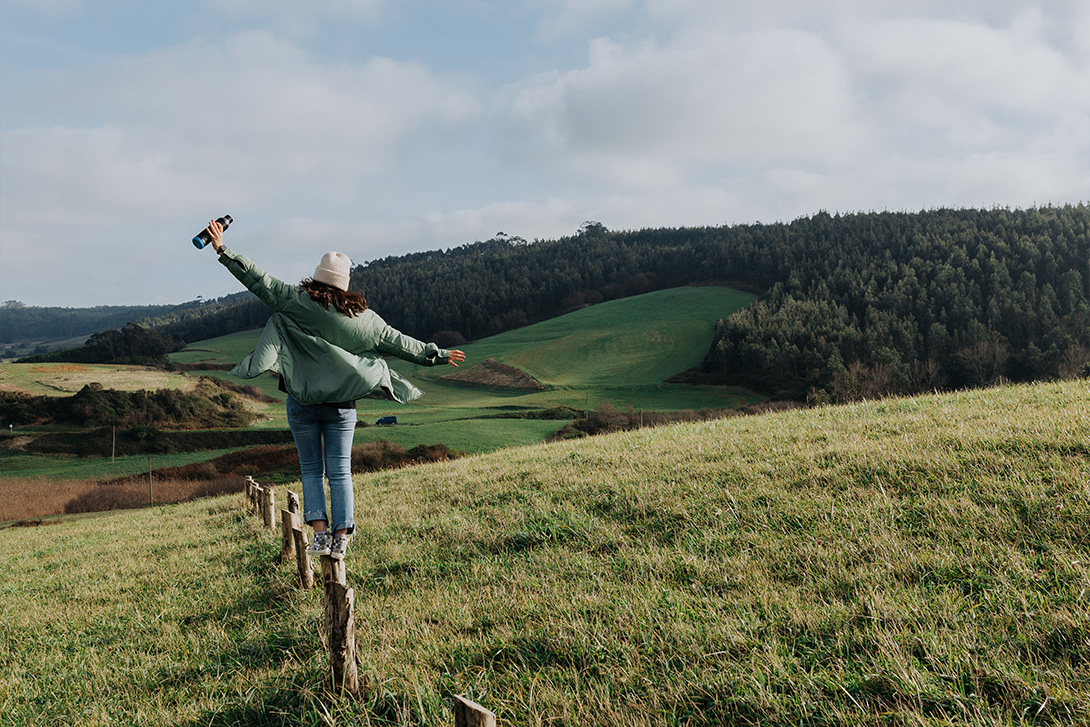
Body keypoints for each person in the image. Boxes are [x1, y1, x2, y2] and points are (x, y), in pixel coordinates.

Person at [201, 219, 466, 560]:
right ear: (346, 284)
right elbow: (405, 345)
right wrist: (439, 355)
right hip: (342, 406)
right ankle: (341, 539)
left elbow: (257, 279)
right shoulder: (367, 321)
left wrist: (223, 249)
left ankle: (320, 536)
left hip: (302, 402)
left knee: (311, 470)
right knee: (340, 471)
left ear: (316, 276)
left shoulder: (295, 301)